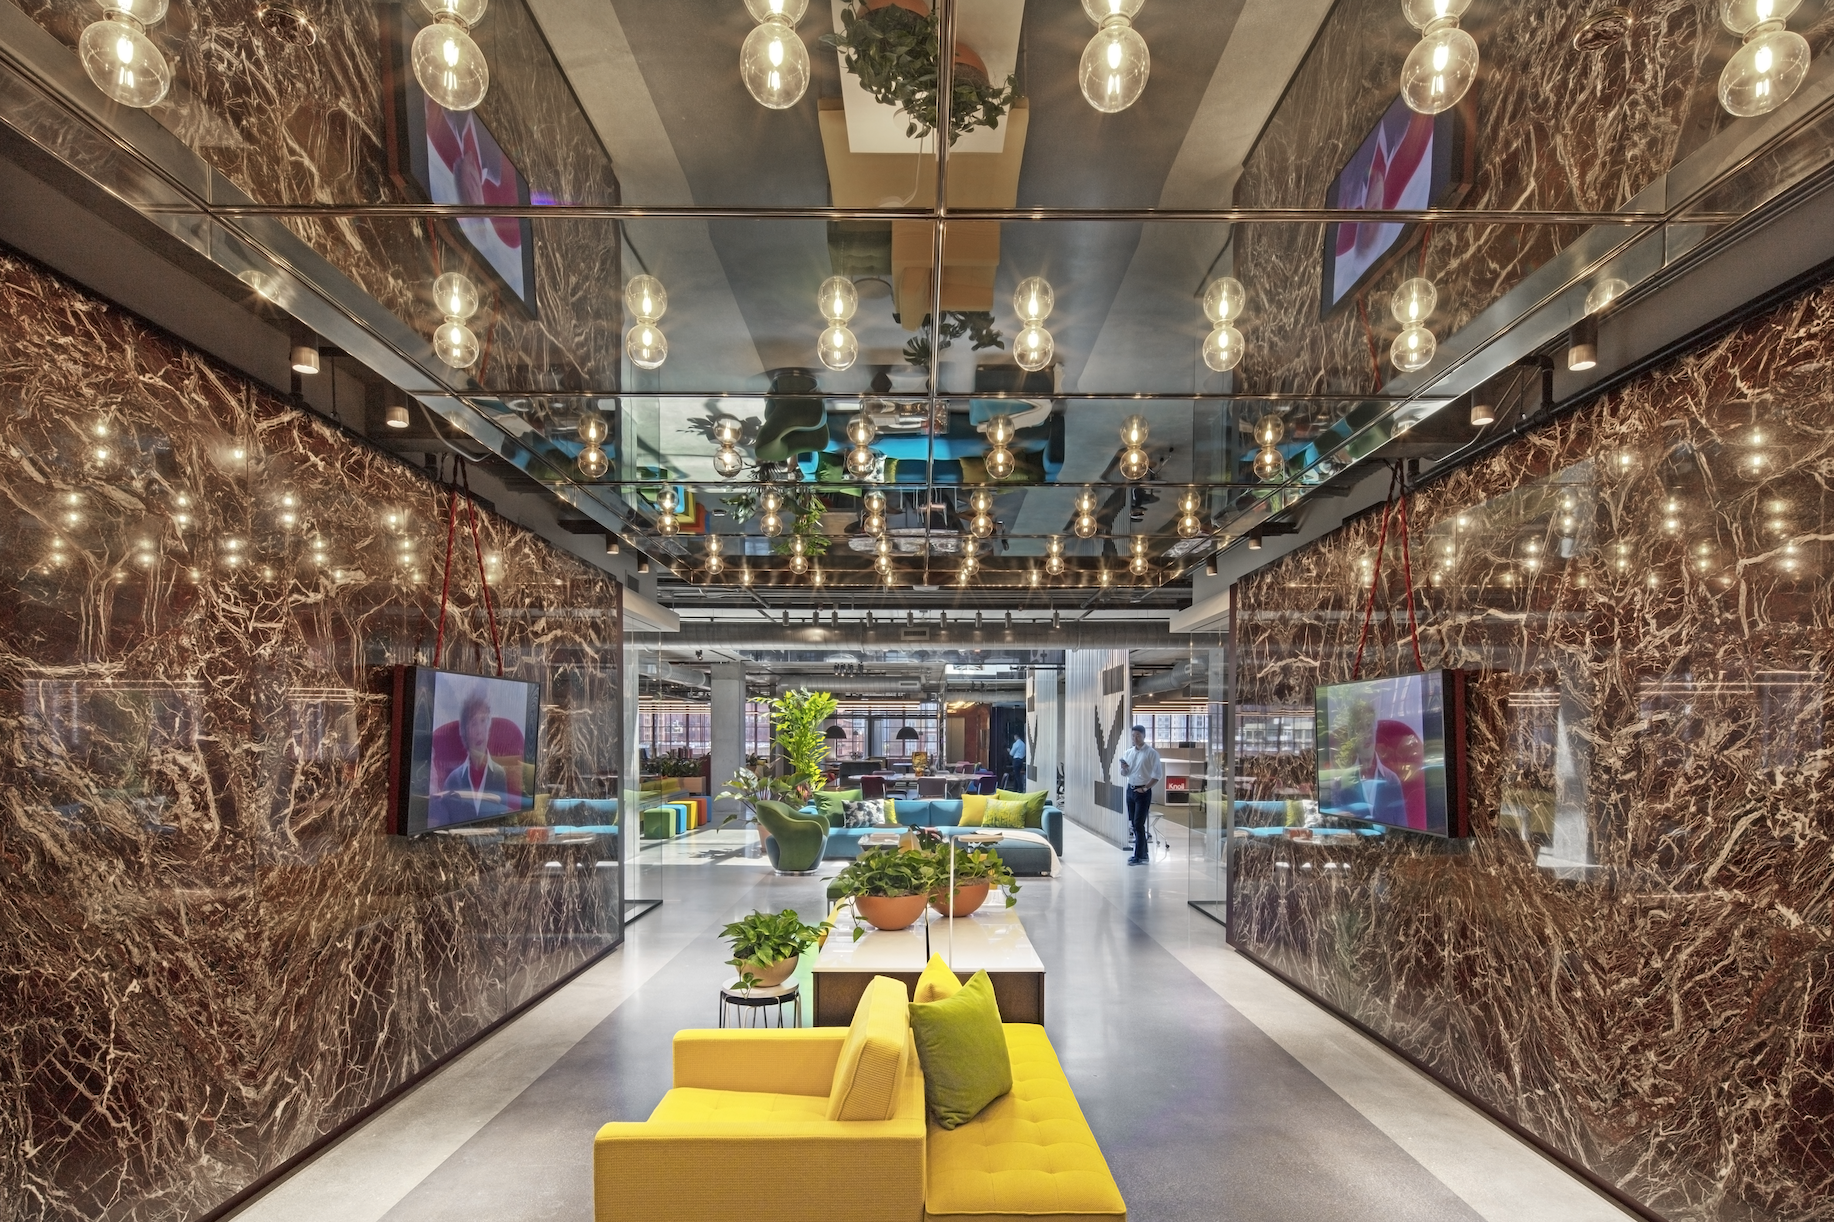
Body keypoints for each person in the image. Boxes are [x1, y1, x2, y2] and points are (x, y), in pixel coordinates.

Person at [440, 689, 510, 821]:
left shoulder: (500, 774)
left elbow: (503, 821)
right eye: (473, 723)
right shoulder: (452, 780)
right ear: (464, 732)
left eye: (483, 721)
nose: (479, 731)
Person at [1116, 725, 1163, 865]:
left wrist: (1145, 788)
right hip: (1130, 789)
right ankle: (1144, 853)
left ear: (1144, 736)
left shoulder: (1151, 753)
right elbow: (1125, 774)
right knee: (1134, 823)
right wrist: (1124, 769)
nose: (1135, 738)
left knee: (1138, 823)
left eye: (1138, 736)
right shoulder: (1129, 752)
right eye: (1133, 736)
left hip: (1142, 791)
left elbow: (1157, 775)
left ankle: (1138, 855)